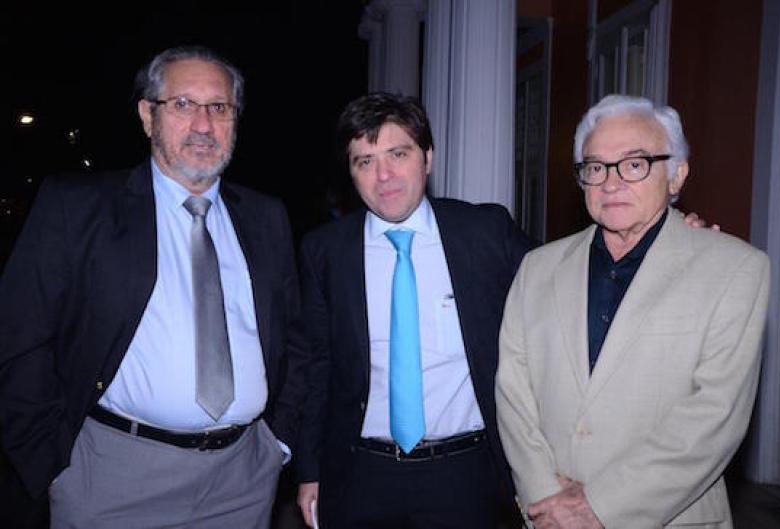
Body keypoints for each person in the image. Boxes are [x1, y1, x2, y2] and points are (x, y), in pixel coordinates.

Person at [0, 45, 308, 528]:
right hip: (111, 479)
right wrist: (49, 459)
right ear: (148, 116)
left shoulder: (266, 217)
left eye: (219, 107)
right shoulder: (78, 207)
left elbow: (296, 339)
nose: (204, 125)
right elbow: (20, 337)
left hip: (243, 481)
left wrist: (278, 443)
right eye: (183, 104)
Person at [496, 94, 770, 528]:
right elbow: (513, 393)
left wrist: (598, 506)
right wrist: (543, 495)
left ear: (676, 175)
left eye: (635, 164)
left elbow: (714, 417)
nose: (610, 183)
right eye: (596, 167)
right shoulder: (537, 269)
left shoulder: (734, 269)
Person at [294, 92, 532, 529]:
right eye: (365, 161)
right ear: (350, 173)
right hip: (361, 474)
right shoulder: (326, 251)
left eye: (398, 154)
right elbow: (315, 367)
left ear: (428, 158)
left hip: (466, 474)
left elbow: (558, 291)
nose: (383, 175)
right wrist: (309, 470)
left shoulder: (483, 232)